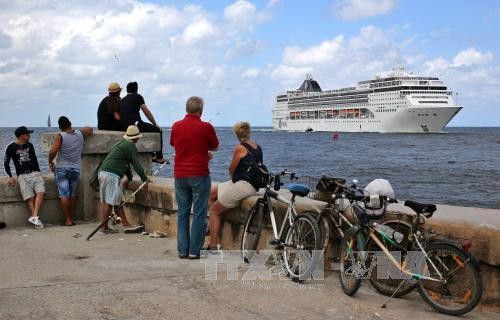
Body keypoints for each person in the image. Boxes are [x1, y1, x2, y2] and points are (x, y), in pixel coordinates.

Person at [170, 96, 219, 259]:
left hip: (180, 175)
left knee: (183, 213)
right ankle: (194, 251)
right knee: (199, 213)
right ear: (201, 110)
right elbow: (215, 146)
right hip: (199, 174)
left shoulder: (176, 126)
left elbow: (174, 144)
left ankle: (182, 250)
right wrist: (204, 151)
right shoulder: (206, 126)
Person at [207, 122, 261, 252]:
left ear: (236, 134)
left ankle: (212, 246)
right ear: (249, 132)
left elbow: (231, 169)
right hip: (249, 183)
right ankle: (212, 226)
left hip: (243, 185)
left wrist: (233, 175)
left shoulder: (240, 148)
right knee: (211, 194)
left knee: (214, 210)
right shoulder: (257, 147)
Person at [97, 125, 148, 234]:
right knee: (110, 202)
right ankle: (104, 227)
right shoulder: (130, 146)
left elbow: (125, 163)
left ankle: (125, 225)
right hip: (111, 175)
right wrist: (145, 179)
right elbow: (136, 164)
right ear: (135, 137)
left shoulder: (121, 144)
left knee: (113, 201)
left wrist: (129, 178)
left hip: (103, 172)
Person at [48, 116, 93, 226]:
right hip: (76, 168)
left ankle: (67, 220)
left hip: (62, 168)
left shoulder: (60, 136)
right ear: (70, 123)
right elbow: (90, 129)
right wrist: (78, 131)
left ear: (60, 127)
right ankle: (72, 219)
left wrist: (50, 161)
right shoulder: (80, 133)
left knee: (64, 194)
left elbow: (53, 151)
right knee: (72, 195)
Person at [3, 126, 46, 228]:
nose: (29, 136)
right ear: (22, 136)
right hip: (22, 175)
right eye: (28, 134)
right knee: (29, 197)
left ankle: (34, 215)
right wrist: (10, 176)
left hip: (35, 173)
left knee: (41, 192)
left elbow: (35, 159)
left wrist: (39, 172)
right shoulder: (11, 147)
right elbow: (6, 162)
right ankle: (36, 220)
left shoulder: (30, 145)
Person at [119, 81, 166, 163]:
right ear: (136, 89)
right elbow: (146, 112)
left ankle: (152, 154)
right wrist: (155, 124)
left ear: (127, 90)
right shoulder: (138, 97)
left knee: (145, 126)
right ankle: (159, 157)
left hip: (124, 127)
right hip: (135, 125)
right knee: (157, 130)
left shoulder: (122, 100)